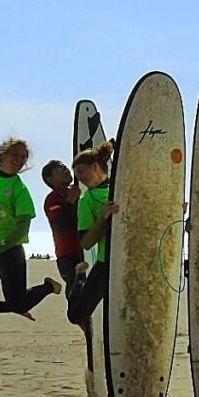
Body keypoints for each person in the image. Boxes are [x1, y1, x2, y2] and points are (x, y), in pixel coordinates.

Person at [0, 138, 61, 319]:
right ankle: (14, 308)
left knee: (18, 302)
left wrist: (0, 247)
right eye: (14, 154)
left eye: (23, 157)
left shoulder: (19, 188)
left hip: (10, 252)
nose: (19, 160)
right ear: (2, 153)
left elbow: (23, 226)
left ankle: (48, 287)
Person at [66, 141, 119, 331]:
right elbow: (86, 243)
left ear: (95, 167)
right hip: (106, 263)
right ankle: (80, 276)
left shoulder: (123, 186)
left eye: (81, 171)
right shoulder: (87, 201)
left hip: (131, 262)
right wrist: (103, 219)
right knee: (76, 315)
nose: (79, 177)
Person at [41, 159, 84, 295]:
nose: (66, 170)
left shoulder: (81, 189)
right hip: (69, 256)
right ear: (50, 179)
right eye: (60, 169)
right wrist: (70, 202)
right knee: (76, 295)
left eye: (65, 167)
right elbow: (61, 228)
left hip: (88, 250)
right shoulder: (52, 199)